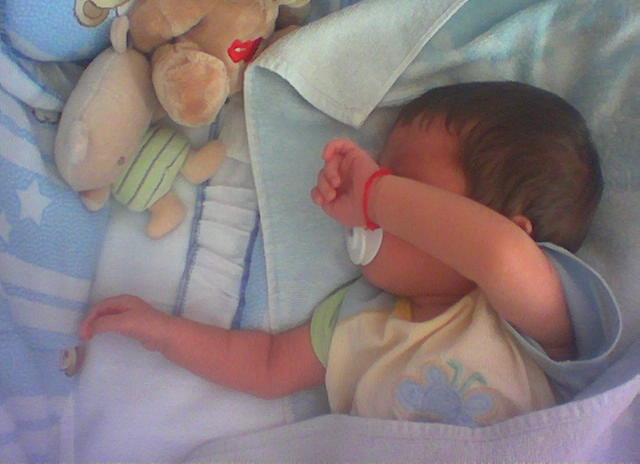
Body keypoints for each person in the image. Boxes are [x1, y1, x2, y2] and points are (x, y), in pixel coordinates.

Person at [79, 81, 607, 426]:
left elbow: (498, 254)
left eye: (403, 182)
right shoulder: (356, 317)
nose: (367, 197)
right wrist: (166, 334)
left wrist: (378, 194)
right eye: (380, 174)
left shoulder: (531, 323)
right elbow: (265, 365)